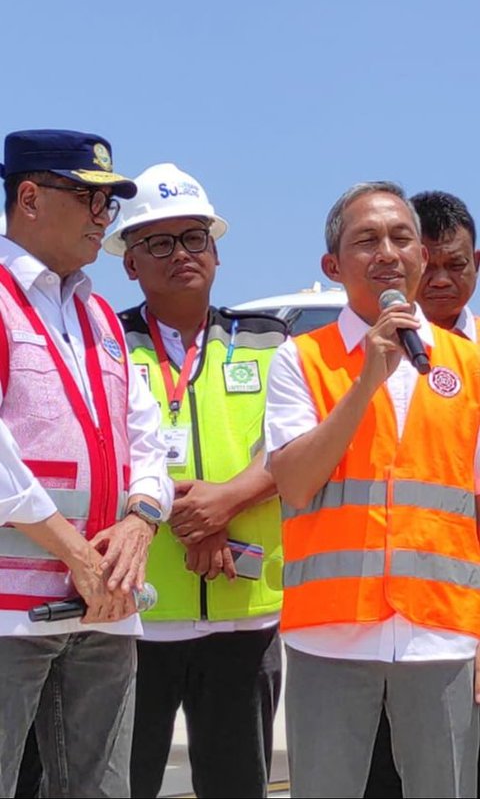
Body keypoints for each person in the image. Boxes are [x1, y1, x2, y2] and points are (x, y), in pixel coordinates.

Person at [265, 181, 480, 799]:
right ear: (333, 266)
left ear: (419, 255)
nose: (387, 251)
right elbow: (298, 483)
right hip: (331, 634)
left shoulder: (467, 366)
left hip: (441, 633)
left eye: (400, 237)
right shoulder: (300, 359)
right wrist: (367, 380)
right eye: (367, 240)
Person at [102, 162, 287, 799]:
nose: (180, 254)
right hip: (133, 616)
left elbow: (295, 448)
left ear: (215, 249)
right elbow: (111, 451)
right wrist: (192, 519)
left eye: (194, 238)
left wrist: (226, 503)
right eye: (157, 241)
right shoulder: (104, 342)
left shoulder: (270, 340)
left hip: (245, 613)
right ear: (128, 261)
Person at [0, 130, 173, 799]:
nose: (106, 215)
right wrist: (76, 551)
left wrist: (140, 521)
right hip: (12, 610)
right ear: (31, 196)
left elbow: (150, 437)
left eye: (110, 201)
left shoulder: (100, 315)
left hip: (104, 607)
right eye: (91, 197)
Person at [365, 189, 480, 799]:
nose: (438, 279)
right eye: (426, 263)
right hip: (367, 628)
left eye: (455, 265)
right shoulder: (355, 357)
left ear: (477, 264)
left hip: (454, 627)